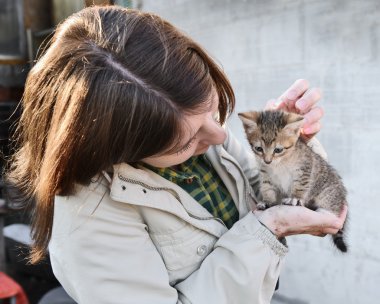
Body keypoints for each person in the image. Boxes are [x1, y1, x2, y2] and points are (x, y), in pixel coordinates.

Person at [6, 5, 347, 304]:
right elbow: (267, 220)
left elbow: (262, 191)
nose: (218, 136)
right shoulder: (88, 217)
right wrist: (271, 228)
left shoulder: (202, 133)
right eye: (186, 142)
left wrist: (286, 146)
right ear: (118, 150)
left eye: (214, 111)